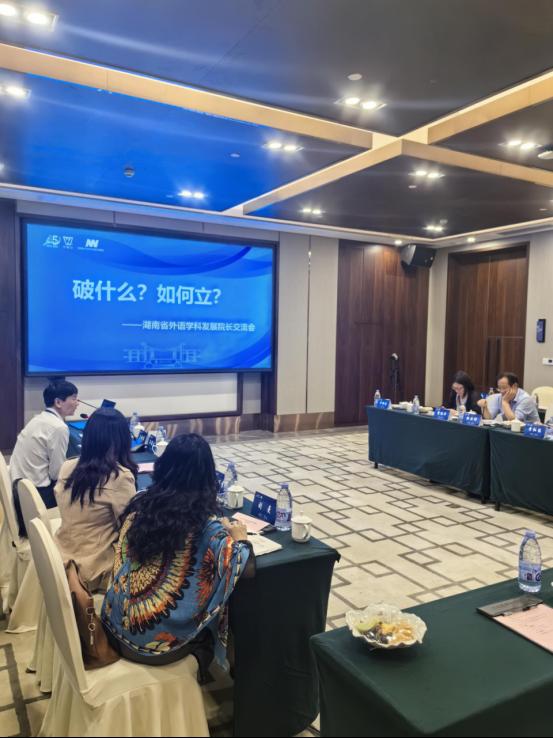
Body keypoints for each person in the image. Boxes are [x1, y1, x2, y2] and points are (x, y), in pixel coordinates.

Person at [101, 433, 254, 680]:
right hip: (153, 649)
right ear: (207, 477)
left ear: (164, 467)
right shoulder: (205, 527)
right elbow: (245, 569)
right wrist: (241, 539)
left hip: (112, 627)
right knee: (214, 622)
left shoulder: (140, 504)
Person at [54, 408, 138, 592]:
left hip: (60, 553)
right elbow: (131, 528)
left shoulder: (67, 466)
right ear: (123, 440)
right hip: (94, 567)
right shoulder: (120, 477)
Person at [10, 380, 79, 536]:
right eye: (74, 398)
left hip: (19, 489)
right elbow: (57, 474)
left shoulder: (40, 418)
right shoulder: (59, 427)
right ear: (58, 402)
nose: (77, 403)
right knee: (81, 489)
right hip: (36, 496)